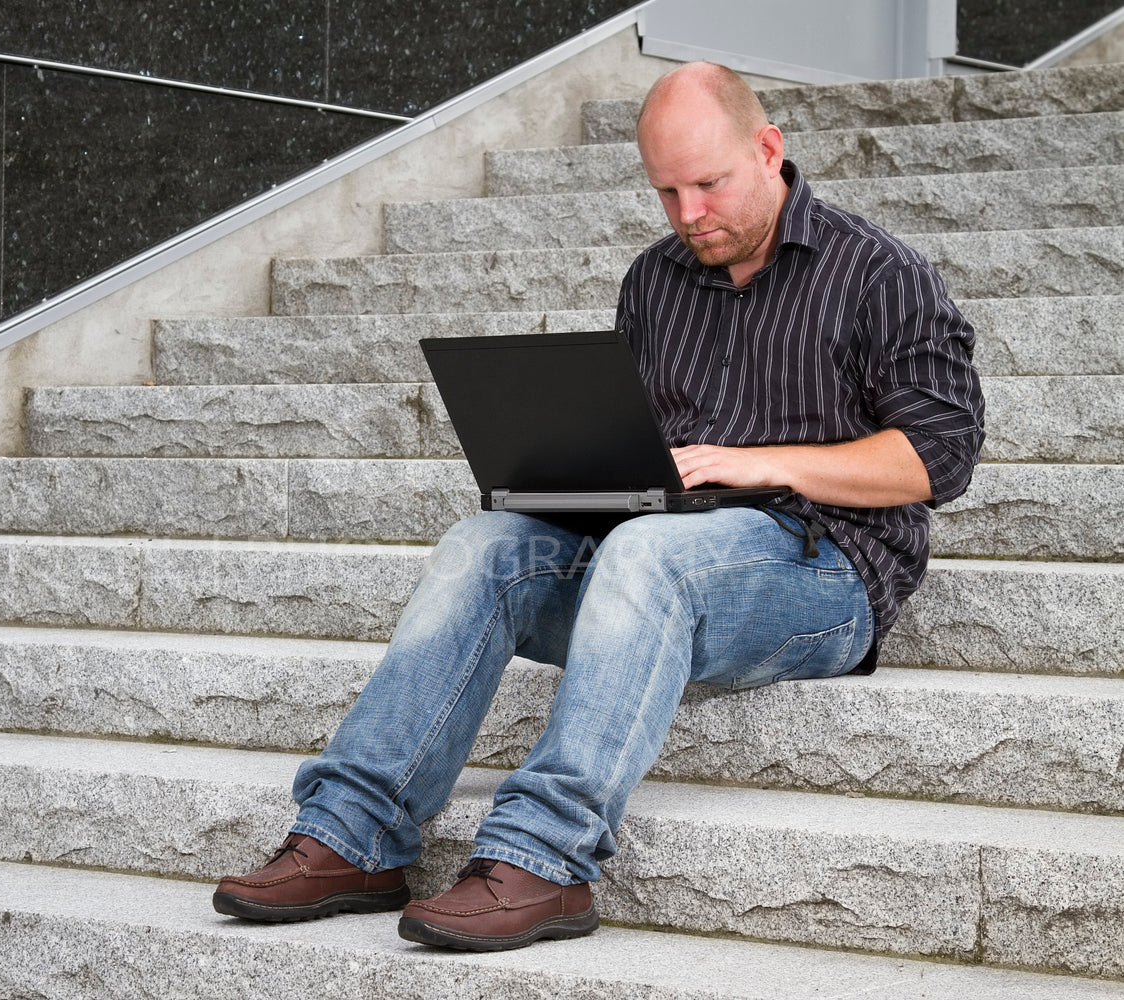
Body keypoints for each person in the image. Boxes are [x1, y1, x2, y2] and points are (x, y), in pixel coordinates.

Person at [212, 61, 985, 952]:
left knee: (649, 555)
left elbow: (939, 455)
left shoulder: (881, 274)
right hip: (661, 552)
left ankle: (546, 859)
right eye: (667, 192)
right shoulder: (655, 281)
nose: (690, 214)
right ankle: (355, 835)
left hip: (822, 573)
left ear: (769, 150)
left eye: (709, 183)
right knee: (486, 542)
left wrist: (751, 464)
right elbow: (641, 453)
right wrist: (569, 479)